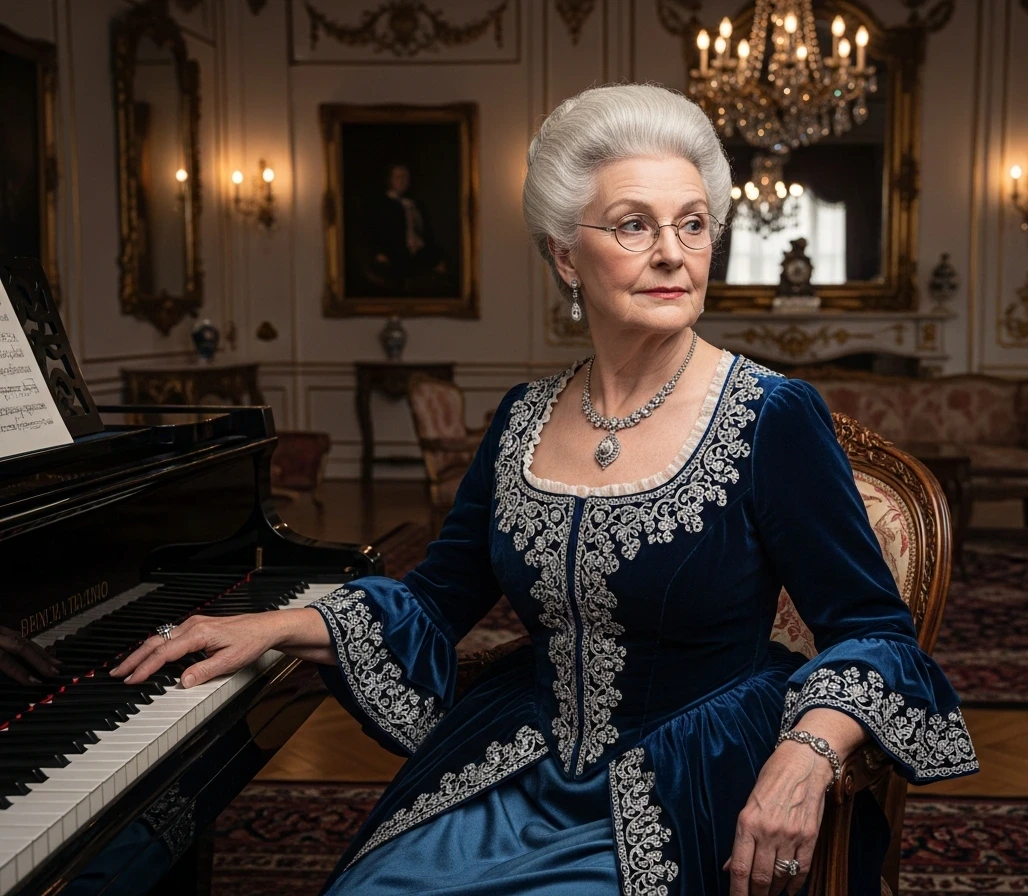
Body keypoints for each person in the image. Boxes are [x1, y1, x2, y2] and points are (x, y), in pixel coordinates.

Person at [112, 84, 977, 895]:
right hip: (518, 749)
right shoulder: (522, 417)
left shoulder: (774, 416)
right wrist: (285, 621)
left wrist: (807, 752)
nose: (673, 252)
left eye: (693, 224)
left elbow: (874, 630)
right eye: (633, 225)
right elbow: (438, 598)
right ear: (566, 255)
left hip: (695, 768)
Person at [362, 162, 450, 296]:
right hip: (394, 254)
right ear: (390, 180)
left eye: (405, 177)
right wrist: (378, 252)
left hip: (418, 253)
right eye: (398, 177)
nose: (403, 181)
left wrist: (436, 258)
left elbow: (426, 234)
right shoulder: (381, 205)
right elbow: (372, 232)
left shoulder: (415, 204)